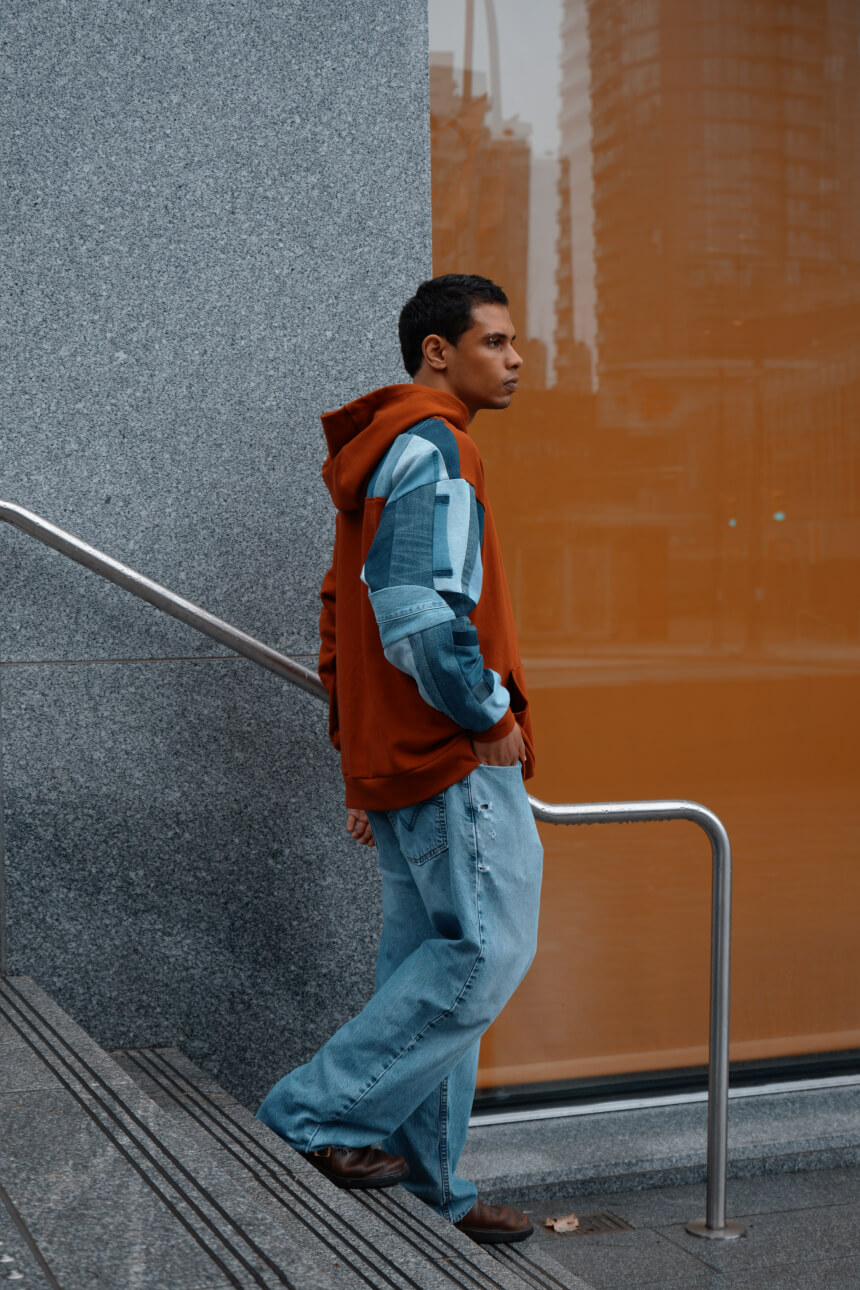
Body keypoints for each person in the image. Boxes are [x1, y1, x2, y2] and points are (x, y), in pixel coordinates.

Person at [257, 274, 543, 1245]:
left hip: (402, 762)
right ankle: (312, 1116)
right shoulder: (431, 448)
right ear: (436, 351)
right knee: (482, 958)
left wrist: (357, 758)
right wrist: (486, 709)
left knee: (430, 970)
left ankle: (431, 1189)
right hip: (451, 760)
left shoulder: (383, 454)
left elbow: (339, 617)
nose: (514, 361)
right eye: (496, 342)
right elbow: (416, 611)